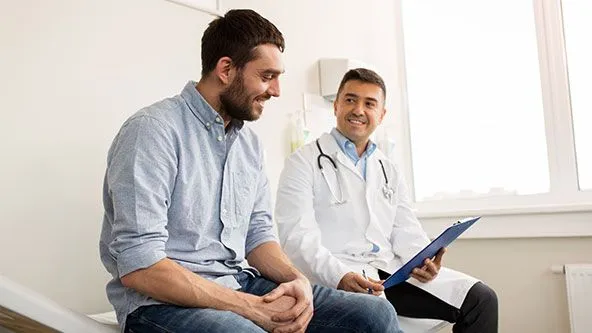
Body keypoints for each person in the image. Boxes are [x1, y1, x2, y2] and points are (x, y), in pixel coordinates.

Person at [99, 10, 402, 333]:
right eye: (267, 76)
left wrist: (296, 279)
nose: (276, 90)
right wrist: (250, 308)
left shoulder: (248, 145)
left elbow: (257, 236)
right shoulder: (152, 131)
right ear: (226, 69)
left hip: (239, 283)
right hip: (160, 305)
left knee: (374, 315)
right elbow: (140, 266)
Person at [275, 68, 499, 333]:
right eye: (350, 99)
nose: (358, 109)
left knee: (481, 299)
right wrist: (340, 276)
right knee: (375, 314)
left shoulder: (388, 168)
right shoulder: (302, 163)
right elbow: (297, 239)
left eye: (369, 103)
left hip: (388, 275)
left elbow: (406, 229)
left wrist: (425, 262)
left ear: (381, 115)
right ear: (335, 105)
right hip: (336, 277)